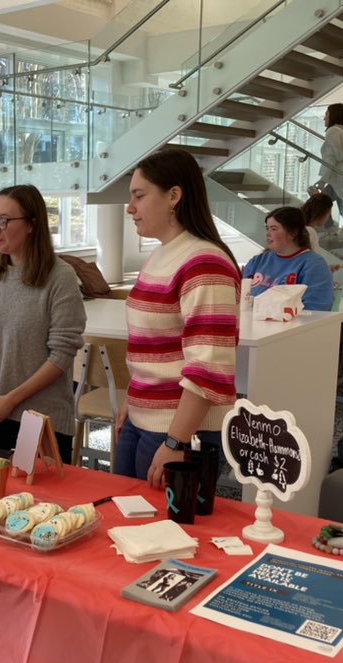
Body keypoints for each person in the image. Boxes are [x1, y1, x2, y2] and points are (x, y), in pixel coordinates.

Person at [115, 148, 241, 488]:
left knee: (162, 520)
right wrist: (132, 399)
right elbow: (152, 346)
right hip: (145, 419)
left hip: (178, 429)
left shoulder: (205, 263)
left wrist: (175, 441)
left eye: (139, 196)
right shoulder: (163, 254)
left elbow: (208, 367)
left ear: (174, 196)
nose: (130, 208)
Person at [0, 184, 85, 463]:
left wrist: (11, 400)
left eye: (4, 220)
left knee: (42, 491)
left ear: (32, 224)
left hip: (42, 418)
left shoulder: (60, 277)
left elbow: (61, 355)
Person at [243, 206, 335, 311]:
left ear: (293, 233)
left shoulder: (314, 265)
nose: (268, 234)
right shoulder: (257, 261)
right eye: (267, 228)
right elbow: (240, 296)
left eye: (274, 229)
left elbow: (316, 309)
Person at [311, 103, 343, 243]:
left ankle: (333, 230)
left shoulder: (333, 131)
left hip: (340, 177)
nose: (324, 118)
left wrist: (323, 180)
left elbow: (331, 158)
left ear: (333, 115)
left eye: (326, 114)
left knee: (318, 202)